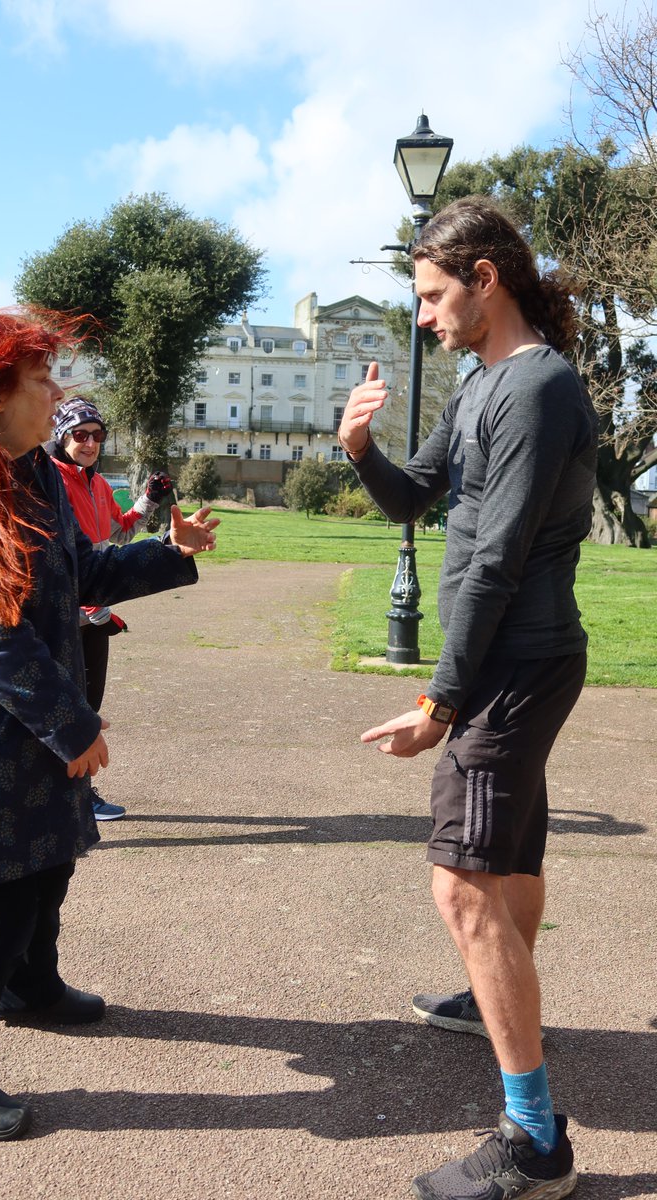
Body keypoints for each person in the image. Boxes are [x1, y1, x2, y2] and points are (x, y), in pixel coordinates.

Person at [0, 308, 218, 1142]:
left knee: (50, 862)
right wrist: (74, 726)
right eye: (40, 379)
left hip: (30, 716)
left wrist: (172, 555)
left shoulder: (29, 471)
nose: (56, 392)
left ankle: (31, 986)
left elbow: (83, 568)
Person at [339, 197, 597, 1200]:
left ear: (484, 280)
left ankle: (533, 1144)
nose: (421, 316)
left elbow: (494, 556)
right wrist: (360, 450)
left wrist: (440, 704)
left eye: (431, 295)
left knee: (459, 886)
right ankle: (493, 995)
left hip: (511, 665)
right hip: (511, 663)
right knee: (511, 851)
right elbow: (415, 500)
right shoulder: (483, 383)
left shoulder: (536, 391)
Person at [49, 395, 174, 821]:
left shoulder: (97, 484)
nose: (89, 442)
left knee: (88, 705)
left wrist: (149, 499)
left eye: (96, 435)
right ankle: (71, 800)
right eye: (79, 434)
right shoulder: (50, 479)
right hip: (64, 616)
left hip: (96, 613)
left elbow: (119, 536)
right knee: (65, 707)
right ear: (61, 436)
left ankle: (75, 795)